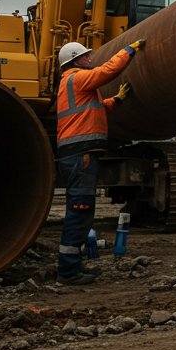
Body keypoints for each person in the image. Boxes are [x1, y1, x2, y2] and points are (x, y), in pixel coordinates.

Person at [52, 37, 143, 286]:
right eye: (86, 56)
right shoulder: (77, 77)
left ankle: (71, 266)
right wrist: (129, 51)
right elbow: (108, 71)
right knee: (80, 211)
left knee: (81, 211)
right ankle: (68, 272)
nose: (90, 59)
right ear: (75, 60)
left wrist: (118, 100)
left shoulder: (71, 84)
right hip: (80, 154)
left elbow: (95, 109)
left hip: (77, 154)